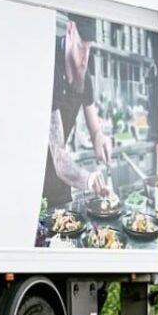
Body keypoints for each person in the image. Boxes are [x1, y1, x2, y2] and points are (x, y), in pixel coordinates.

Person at [43, 15, 112, 207]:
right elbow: (58, 157)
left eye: (89, 48)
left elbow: (96, 130)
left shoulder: (83, 72)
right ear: (70, 30)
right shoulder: (50, 66)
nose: (85, 58)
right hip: (37, 180)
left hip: (61, 181)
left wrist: (101, 139)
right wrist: (88, 179)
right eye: (82, 47)